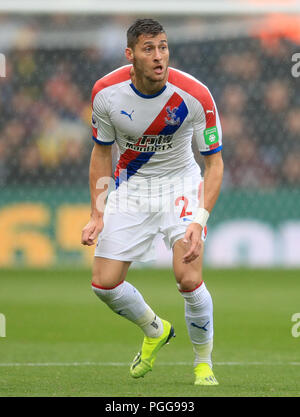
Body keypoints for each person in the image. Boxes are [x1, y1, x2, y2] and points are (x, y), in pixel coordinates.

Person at [81, 18, 224, 386]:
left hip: (181, 186)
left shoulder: (196, 95)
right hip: (132, 190)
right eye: (149, 49)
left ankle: (203, 364)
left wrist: (199, 219)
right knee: (104, 284)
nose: (159, 57)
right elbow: (101, 154)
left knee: (188, 278)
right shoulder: (106, 93)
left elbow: (214, 163)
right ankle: (155, 329)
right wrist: (98, 211)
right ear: (130, 54)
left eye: (163, 47)